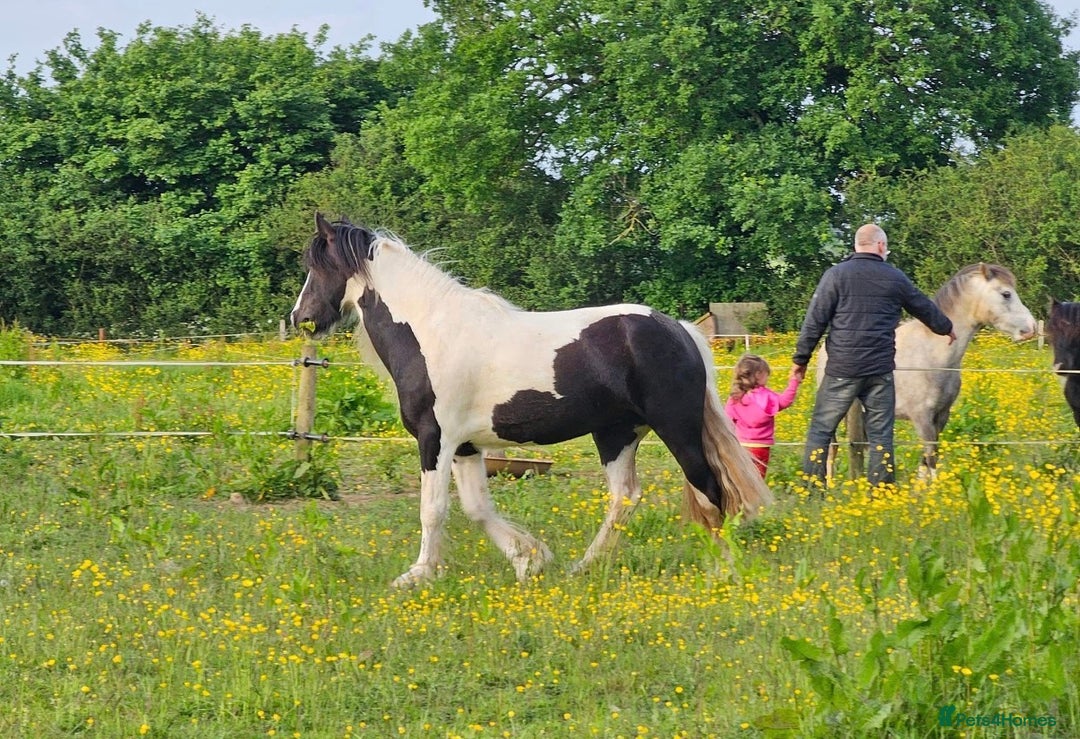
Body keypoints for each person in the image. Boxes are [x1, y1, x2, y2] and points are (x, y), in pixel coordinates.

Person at [791, 224, 957, 488]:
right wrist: (946, 327)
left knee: (821, 430)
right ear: (880, 245)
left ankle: (811, 489)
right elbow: (923, 306)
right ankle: (881, 491)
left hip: (842, 369)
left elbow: (816, 319)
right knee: (881, 435)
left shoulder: (836, 275)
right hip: (879, 370)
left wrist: (801, 359)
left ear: (857, 246)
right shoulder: (894, 278)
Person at [725, 353, 802, 477]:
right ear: (759, 375)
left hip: (741, 445)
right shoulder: (767, 396)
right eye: (767, 374)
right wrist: (794, 382)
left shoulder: (735, 397)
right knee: (758, 480)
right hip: (761, 447)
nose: (768, 378)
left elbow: (728, 420)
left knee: (742, 479)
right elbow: (785, 401)